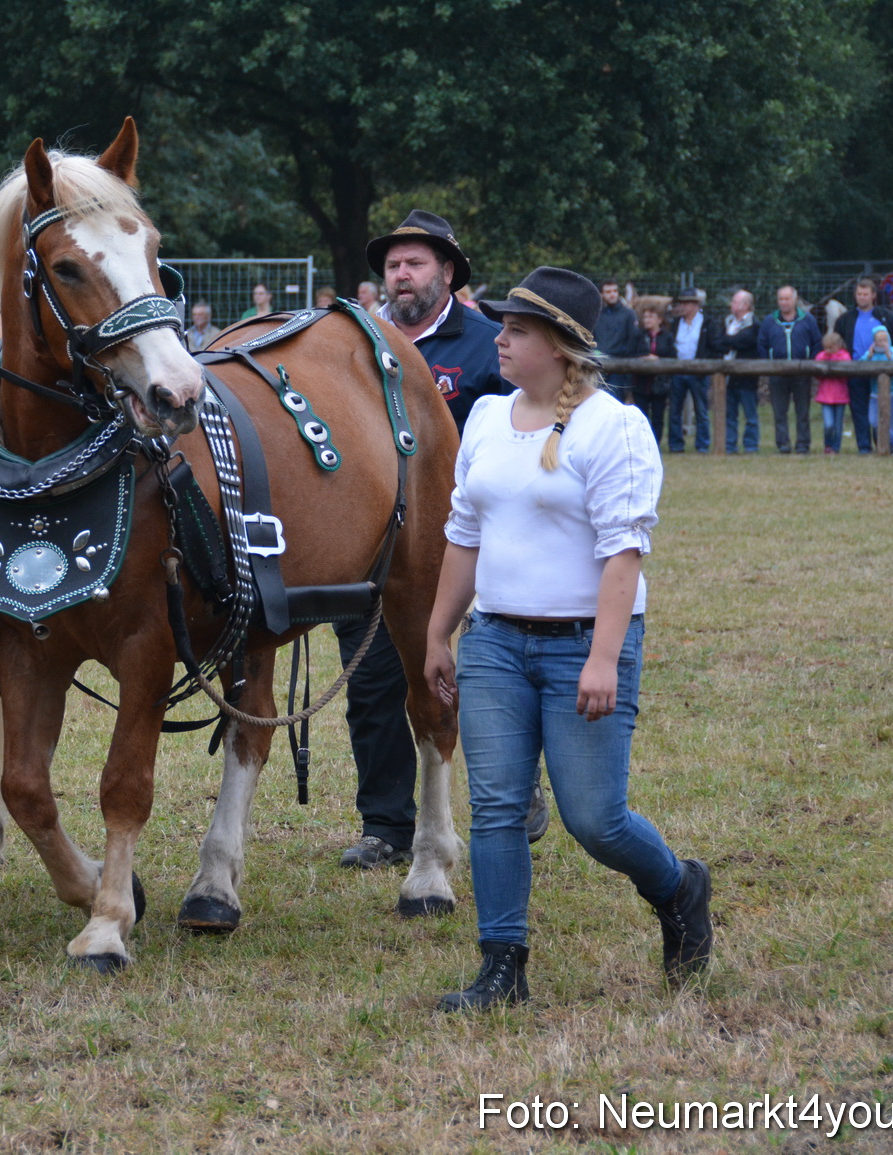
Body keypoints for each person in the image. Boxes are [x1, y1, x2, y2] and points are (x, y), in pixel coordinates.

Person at [425, 266, 711, 1011]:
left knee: (594, 818)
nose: (503, 340)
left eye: (517, 329)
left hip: (582, 644)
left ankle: (679, 886)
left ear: (559, 345)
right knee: (495, 806)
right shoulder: (486, 417)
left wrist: (603, 658)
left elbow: (624, 554)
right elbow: (464, 535)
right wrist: (438, 632)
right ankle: (502, 966)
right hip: (493, 642)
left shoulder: (612, 426)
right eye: (504, 327)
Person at [336, 208, 529, 872]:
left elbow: (527, 429)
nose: (401, 273)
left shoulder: (487, 344)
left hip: (458, 541)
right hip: (367, 540)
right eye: (393, 264)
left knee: (459, 674)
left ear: (448, 272)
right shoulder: (359, 343)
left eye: (416, 262)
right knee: (369, 681)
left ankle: (514, 786)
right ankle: (386, 823)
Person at [832, 278, 893, 454]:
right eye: (858, 294)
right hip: (855, 369)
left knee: (882, 410)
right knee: (859, 409)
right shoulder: (845, 319)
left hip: (882, 371)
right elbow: (837, 343)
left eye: (865, 294)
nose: (862, 297)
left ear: (873, 296)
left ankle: (884, 444)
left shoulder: (885, 317)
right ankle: (864, 446)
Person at [757, 285, 824, 454]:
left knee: (802, 411)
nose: (784, 302)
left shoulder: (807, 320)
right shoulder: (769, 321)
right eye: (781, 299)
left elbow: (817, 342)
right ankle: (783, 444)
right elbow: (762, 344)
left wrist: (810, 363)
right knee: (779, 412)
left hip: (802, 372)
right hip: (777, 373)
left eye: (787, 299)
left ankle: (803, 443)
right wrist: (769, 363)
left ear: (795, 300)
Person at [665, 288, 715, 452]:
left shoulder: (706, 322)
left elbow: (713, 346)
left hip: (698, 372)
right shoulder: (675, 323)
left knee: (701, 410)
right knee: (674, 410)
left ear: (696, 305)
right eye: (683, 303)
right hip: (677, 372)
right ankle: (675, 444)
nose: (684, 306)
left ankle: (702, 445)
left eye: (687, 303)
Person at [720, 289, 761, 454]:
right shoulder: (728, 322)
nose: (732, 304)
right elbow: (720, 341)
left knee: (750, 415)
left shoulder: (754, 324)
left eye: (735, 302)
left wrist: (729, 341)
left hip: (746, 377)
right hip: (728, 377)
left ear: (745, 305)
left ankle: (750, 446)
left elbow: (746, 340)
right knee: (730, 415)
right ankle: (730, 445)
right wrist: (730, 342)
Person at [858, 325, 893, 454]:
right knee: (874, 421)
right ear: (874, 341)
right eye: (880, 340)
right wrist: (869, 355)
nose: (883, 342)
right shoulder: (871, 354)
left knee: (889, 421)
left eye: (885, 339)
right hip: (875, 393)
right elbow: (859, 365)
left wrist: (889, 355)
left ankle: (889, 448)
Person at [631, 304, 675, 440]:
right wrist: (643, 358)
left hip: (660, 384)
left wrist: (658, 359)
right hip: (641, 383)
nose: (647, 320)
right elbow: (630, 353)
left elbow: (673, 356)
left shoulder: (667, 336)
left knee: (658, 416)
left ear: (659, 320)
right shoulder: (638, 335)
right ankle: (642, 442)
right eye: (645, 317)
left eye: (650, 317)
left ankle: (656, 443)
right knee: (641, 415)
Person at [594, 278, 641, 402]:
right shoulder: (596, 314)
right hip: (597, 366)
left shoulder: (628, 314)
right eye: (608, 291)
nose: (612, 294)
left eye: (615, 291)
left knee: (615, 402)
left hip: (619, 367)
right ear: (602, 294)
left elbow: (633, 338)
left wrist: (624, 357)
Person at [814, 332, 852, 455]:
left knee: (838, 424)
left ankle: (836, 447)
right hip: (825, 396)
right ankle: (828, 445)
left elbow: (846, 373)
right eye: (826, 347)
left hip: (840, 395)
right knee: (828, 424)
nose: (828, 350)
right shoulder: (821, 356)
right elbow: (817, 373)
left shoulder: (845, 356)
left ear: (838, 345)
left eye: (831, 347)